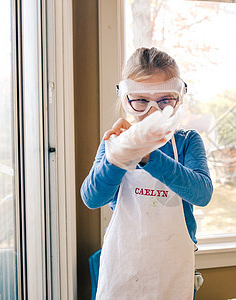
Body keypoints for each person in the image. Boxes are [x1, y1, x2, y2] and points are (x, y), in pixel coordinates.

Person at [81, 47, 213, 299]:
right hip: (124, 262)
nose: (153, 111)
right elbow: (92, 198)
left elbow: (202, 194)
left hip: (173, 263)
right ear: (126, 99)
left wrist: (147, 155)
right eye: (141, 100)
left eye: (165, 101)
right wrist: (119, 154)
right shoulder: (117, 140)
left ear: (179, 98)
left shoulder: (187, 141)